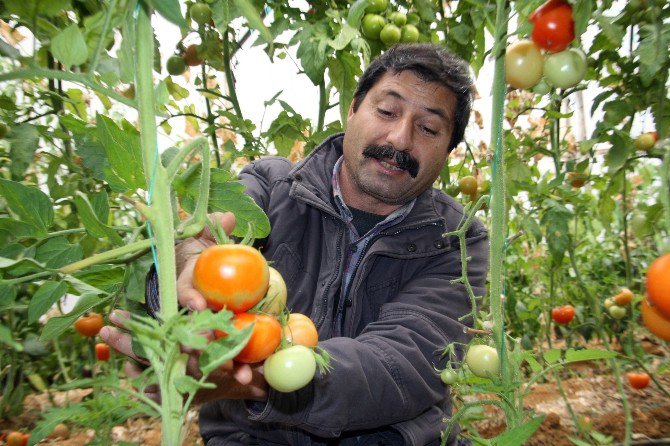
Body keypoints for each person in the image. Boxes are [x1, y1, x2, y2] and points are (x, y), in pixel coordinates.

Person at [101, 43, 489, 445]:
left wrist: (261, 381)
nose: (400, 138)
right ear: (353, 108)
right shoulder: (269, 186)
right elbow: (202, 253)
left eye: (428, 129)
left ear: (448, 151)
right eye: (387, 111)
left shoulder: (458, 240)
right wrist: (184, 270)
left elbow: (404, 364)